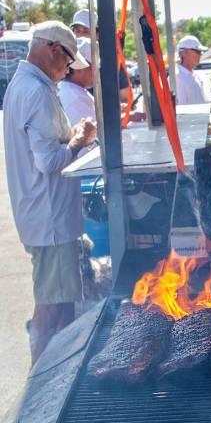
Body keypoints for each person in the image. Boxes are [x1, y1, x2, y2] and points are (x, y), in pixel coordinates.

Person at [3, 21, 97, 366]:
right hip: (50, 218)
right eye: (69, 62)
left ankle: (48, 377)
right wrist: (79, 141)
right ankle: (40, 388)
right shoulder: (37, 91)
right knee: (51, 306)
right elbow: (48, 161)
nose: (68, 70)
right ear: (55, 49)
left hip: (41, 215)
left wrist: (72, 136)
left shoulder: (23, 84)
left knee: (58, 302)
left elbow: (41, 147)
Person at [59, 37, 95, 126]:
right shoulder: (74, 95)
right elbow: (95, 129)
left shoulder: (73, 90)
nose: (97, 73)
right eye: (93, 68)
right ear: (80, 68)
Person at [175, 35, 208, 105]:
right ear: (184, 53)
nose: (200, 54)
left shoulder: (195, 75)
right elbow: (181, 110)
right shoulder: (177, 77)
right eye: (197, 51)